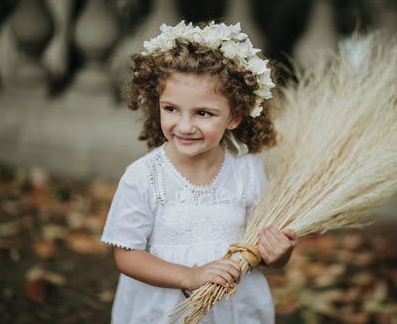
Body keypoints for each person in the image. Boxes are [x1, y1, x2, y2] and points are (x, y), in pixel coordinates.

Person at [101, 21, 297, 324]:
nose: (184, 125)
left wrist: (279, 254)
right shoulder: (144, 176)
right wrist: (189, 276)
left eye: (203, 113)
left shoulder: (248, 171)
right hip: (163, 310)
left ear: (234, 117)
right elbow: (127, 255)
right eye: (171, 109)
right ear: (158, 105)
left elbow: (261, 252)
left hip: (233, 308)